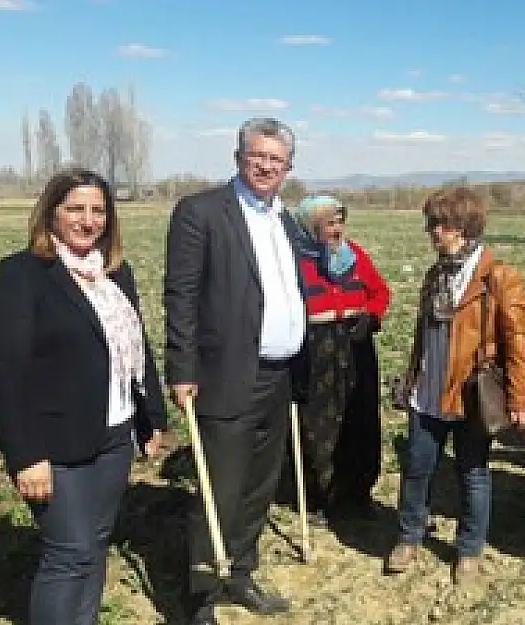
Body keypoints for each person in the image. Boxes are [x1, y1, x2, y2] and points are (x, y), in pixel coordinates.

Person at [0, 168, 168, 625]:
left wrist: (151, 419)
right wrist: (26, 456)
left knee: (95, 544)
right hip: (54, 446)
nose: (88, 220)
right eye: (75, 209)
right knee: (69, 553)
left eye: (98, 210)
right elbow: (6, 375)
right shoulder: (22, 276)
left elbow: (138, 350)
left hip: (113, 438)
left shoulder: (115, 275)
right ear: (51, 213)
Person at [163, 118, 307, 625]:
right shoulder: (202, 212)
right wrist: (181, 368)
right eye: (258, 156)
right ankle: (201, 595)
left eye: (277, 160)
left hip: (278, 373)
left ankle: (240, 573)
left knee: (258, 486)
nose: (267, 166)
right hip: (225, 374)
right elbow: (180, 295)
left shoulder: (284, 219)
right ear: (239, 157)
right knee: (219, 485)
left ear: (288, 168)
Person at [385, 186, 525, 585]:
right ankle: (409, 538)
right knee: (416, 469)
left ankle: (469, 549)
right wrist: (410, 379)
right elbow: (423, 335)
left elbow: (517, 345)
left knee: (473, 473)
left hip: (470, 397)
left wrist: (520, 399)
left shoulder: (499, 279)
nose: (433, 232)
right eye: (431, 223)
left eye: (442, 224)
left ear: (466, 228)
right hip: (427, 395)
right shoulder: (435, 274)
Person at [284, 194, 391, 523]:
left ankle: (358, 492)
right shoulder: (292, 260)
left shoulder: (355, 255)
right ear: (310, 226)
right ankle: (321, 497)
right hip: (315, 347)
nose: (337, 229)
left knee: (360, 420)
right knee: (319, 424)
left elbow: (380, 292)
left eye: (339, 222)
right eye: (329, 223)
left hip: (356, 343)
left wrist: (371, 316)